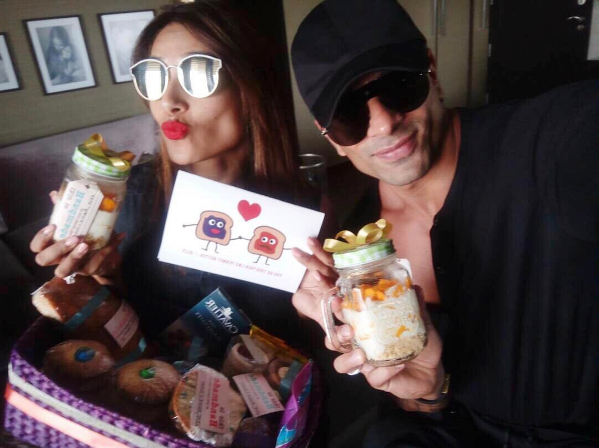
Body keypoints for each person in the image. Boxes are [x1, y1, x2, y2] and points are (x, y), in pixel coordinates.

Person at [290, 0, 599, 446]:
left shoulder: (551, 142)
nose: (383, 124)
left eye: (399, 85)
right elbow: (426, 400)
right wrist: (427, 391)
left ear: (431, 72)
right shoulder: (358, 249)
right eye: (348, 114)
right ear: (329, 135)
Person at [30, 1, 331, 345]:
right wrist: (99, 277)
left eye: (198, 75)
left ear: (250, 87)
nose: (168, 100)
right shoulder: (124, 197)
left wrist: (326, 308)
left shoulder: (306, 209)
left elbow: (308, 339)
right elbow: (115, 337)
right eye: (153, 77)